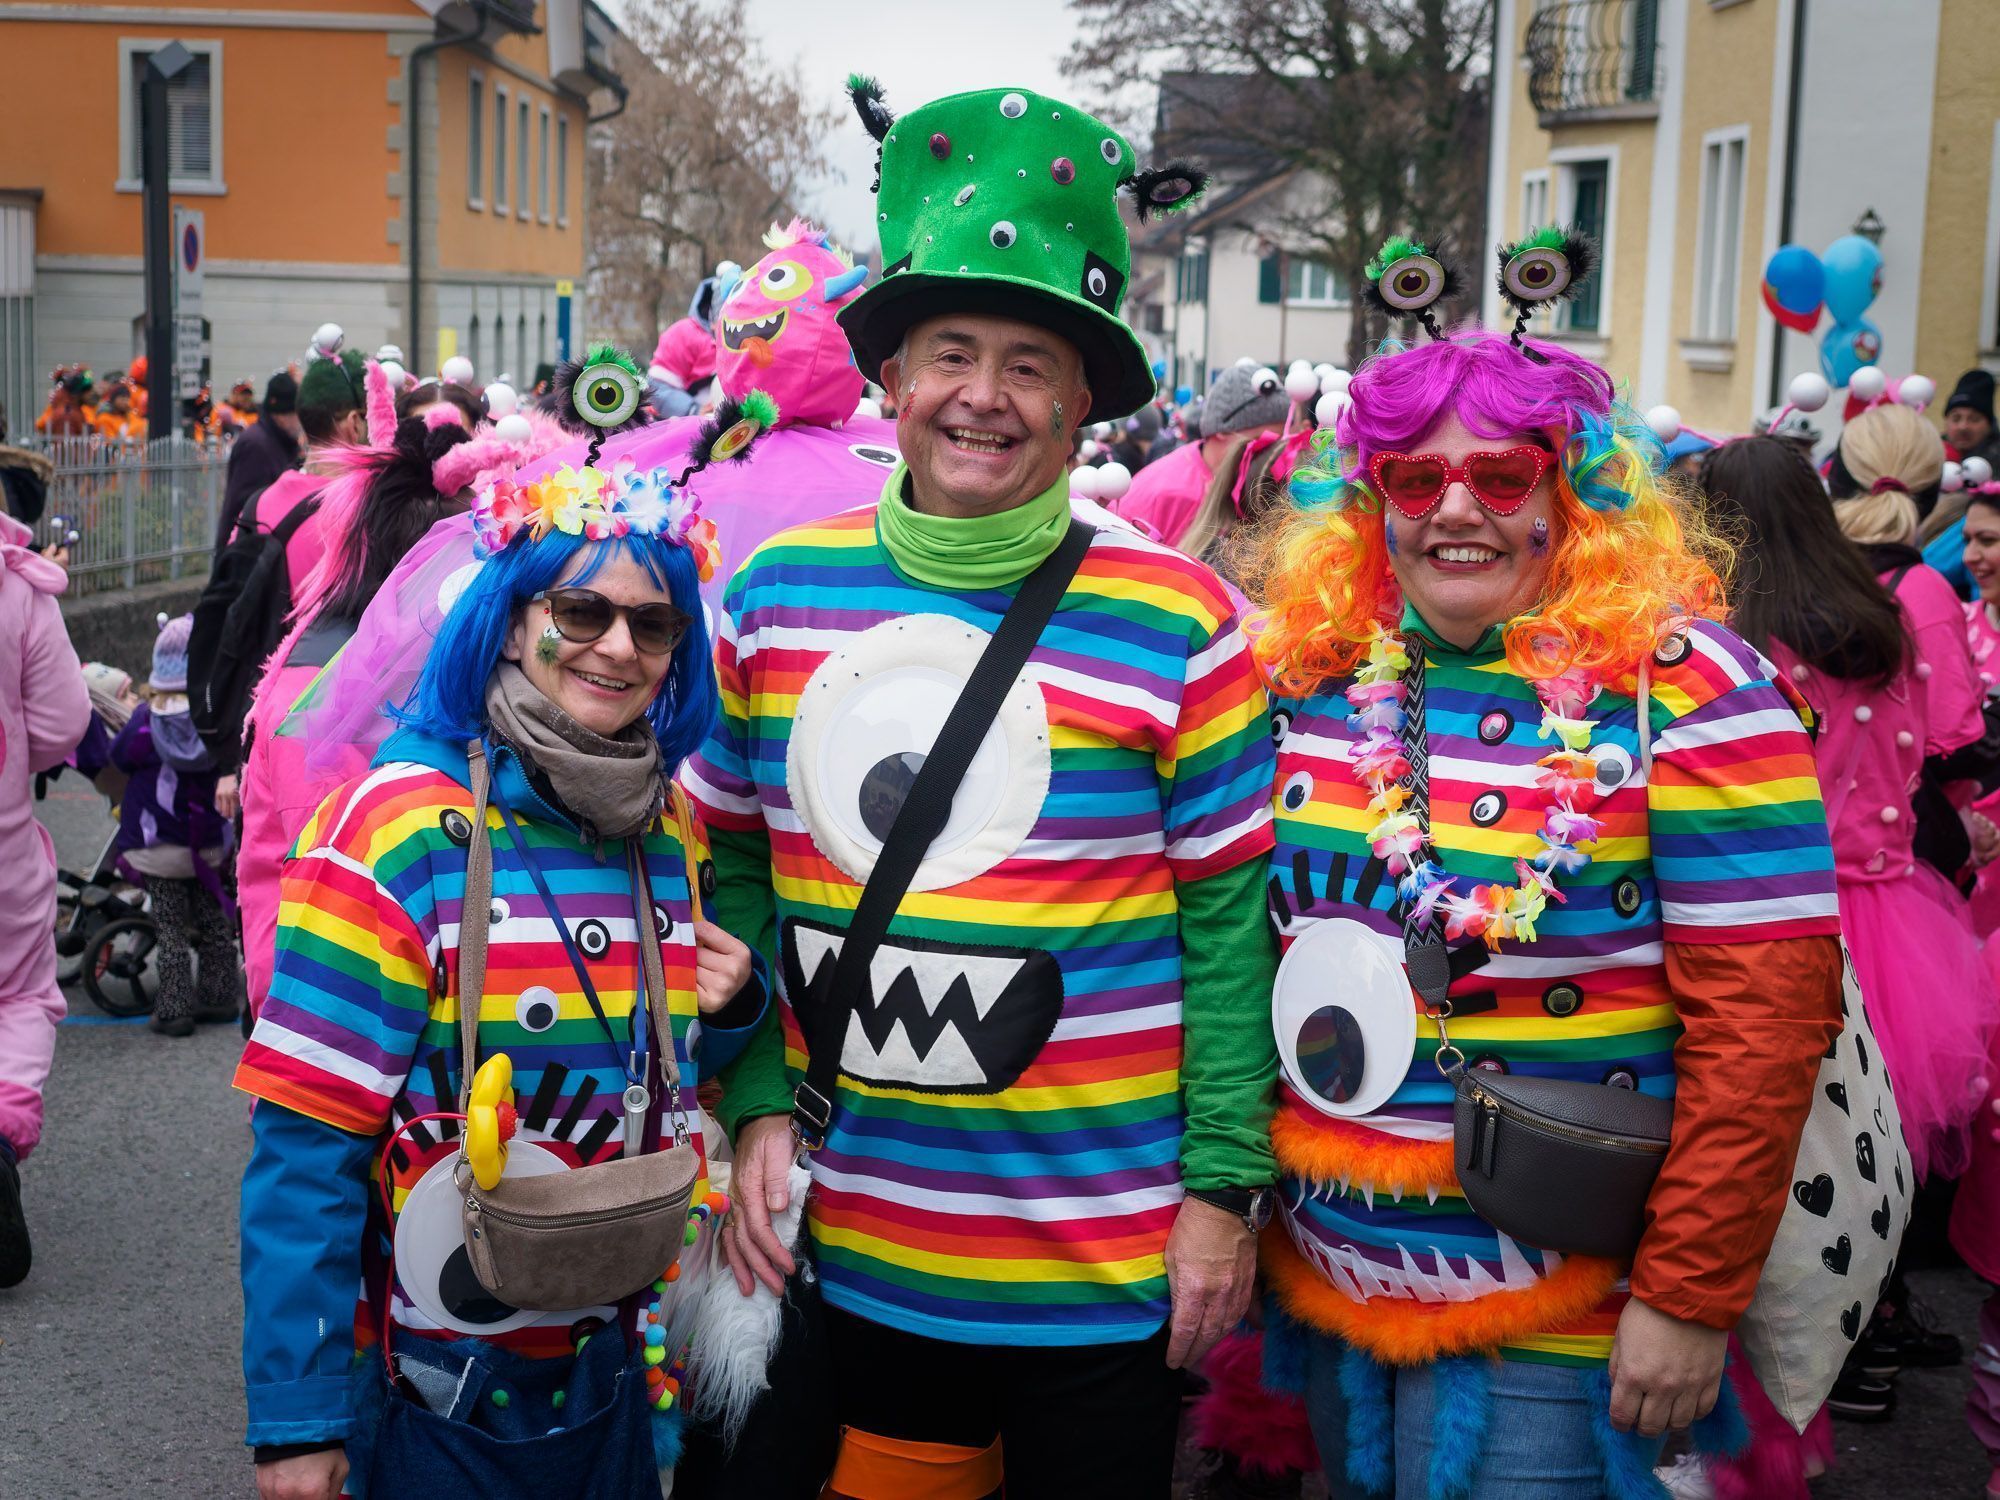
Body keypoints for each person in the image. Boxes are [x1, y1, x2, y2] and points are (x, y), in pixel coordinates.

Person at [682, 81, 1276, 1500]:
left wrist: (1220, 1196)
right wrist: (757, 1100)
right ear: (893, 379)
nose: (984, 397)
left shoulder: (1183, 621)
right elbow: (730, 879)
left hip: (1101, 1269)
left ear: (1083, 401)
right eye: (952, 351)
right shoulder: (772, 594)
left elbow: (1228, 932)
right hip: (838, 1245)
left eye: (1029, 363)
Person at [1251, 237, 1845, 1498]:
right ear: (1370, 504)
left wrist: (1686, 1297)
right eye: (1414, 479)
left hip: (1568, 1297)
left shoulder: (1685, 694)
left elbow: (1765, 1023)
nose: (1455, 510)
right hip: (1335, 1284)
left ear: (1569, 493)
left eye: (1501, 474)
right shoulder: (1302, 681)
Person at [234, 425, 772, 1500]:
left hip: (621, 1367)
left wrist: (739, 1004)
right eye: (581, 611)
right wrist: (296, 1423)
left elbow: (666, 1081)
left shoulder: (665, 825)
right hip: (434, 1383)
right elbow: (304, 1145)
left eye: (652, 624)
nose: (617, 648)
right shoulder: (396, 832)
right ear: (511, 620)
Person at [1685, 437, 1996, 1490]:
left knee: (1747, 1174)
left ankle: (1747, 1403)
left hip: (1780, 925)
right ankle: (1843, 1356)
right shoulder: (1887, 624)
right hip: (1897, 924)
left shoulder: (1730, 645)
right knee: (1855, 1163)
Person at [231, 365, 494, 1023]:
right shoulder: (466, 680)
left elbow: (268, 868)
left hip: (300, 1016)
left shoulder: (299, 669)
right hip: (398, 1030)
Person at [0, 489, 90, 1287]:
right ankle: (0, 1126)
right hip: (2, 854)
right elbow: (63, 721)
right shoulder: (17, 588)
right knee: (21, 994)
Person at [206, 349, 366, 793]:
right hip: (335, 729)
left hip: (258, 717)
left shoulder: (259, 504)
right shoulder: (364, 516)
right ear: (355, 422)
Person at [108, 613, 243, 1038]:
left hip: (157, 845)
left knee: (168, 928)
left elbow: (120, 758)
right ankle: (219, 999)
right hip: (207, 845)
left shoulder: (145, 720)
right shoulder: (214, 720)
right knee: (214, 923)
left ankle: (174, 1010)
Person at [1116, 362, 1291, 547]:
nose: (1274, 454)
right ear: (1223, 430)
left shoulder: (1262, 488)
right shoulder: (1166, 493)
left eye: (1282, 442)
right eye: (1264, 441)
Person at [218, 372, 305, 548]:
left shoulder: (281, 443)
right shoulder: (256, 446)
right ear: (281, 414)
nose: (300, 422)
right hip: (248, 557)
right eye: (296, 414)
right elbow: (245, 509)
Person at [1946, 369, 2000, 472]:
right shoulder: (1931, 458)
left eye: (1974, 419)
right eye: (1956, 418)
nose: (1963, 427)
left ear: (1989, 424)